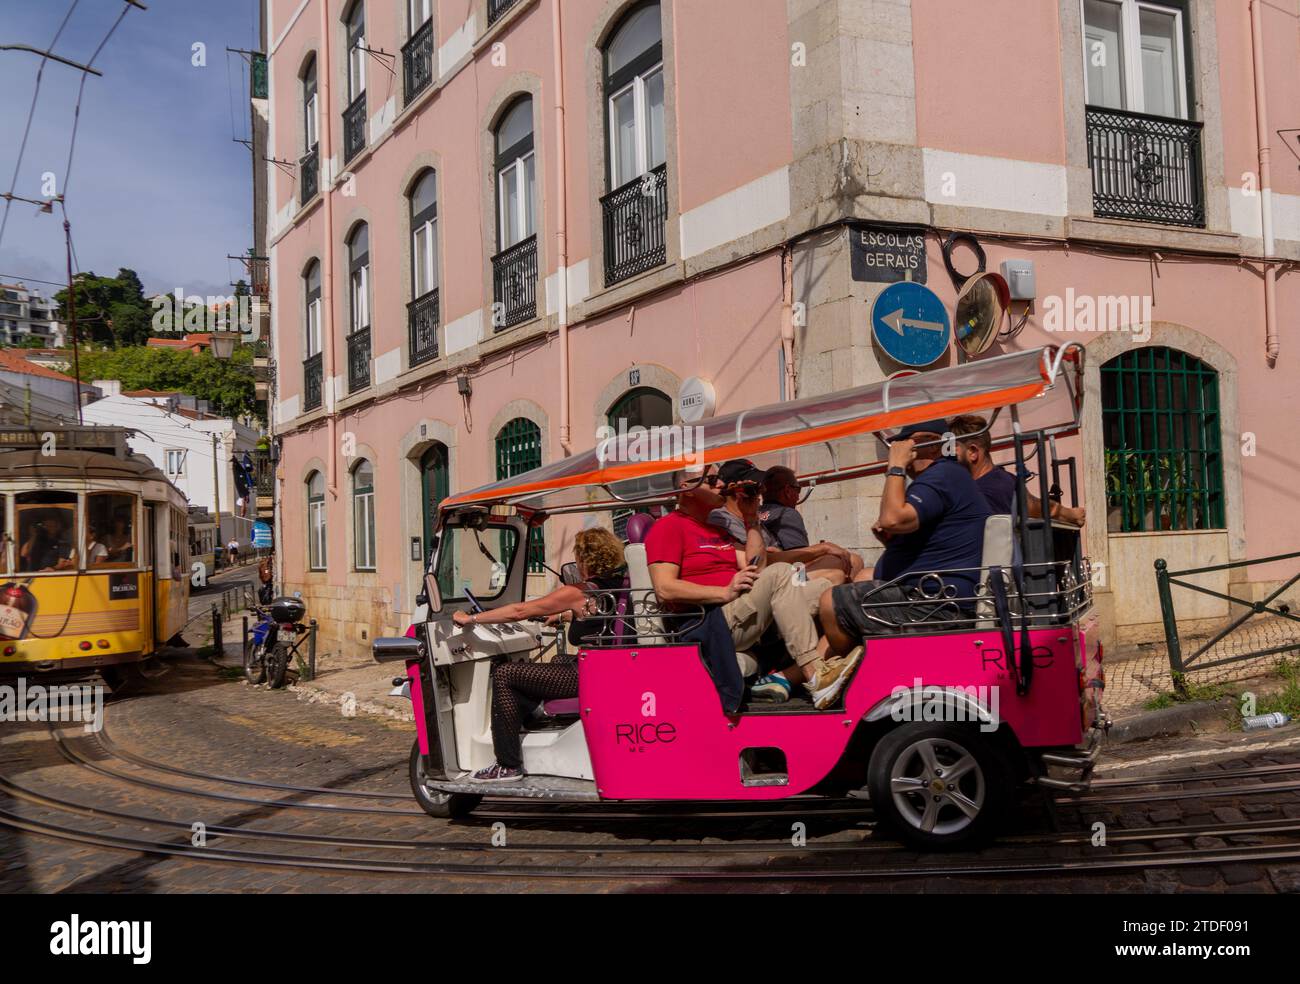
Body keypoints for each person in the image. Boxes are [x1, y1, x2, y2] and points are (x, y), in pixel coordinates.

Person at [645, 463, 861, 709]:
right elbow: (664, 589)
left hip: (740, 609)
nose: (721, 485)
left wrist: (751, 521)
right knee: (780, 572)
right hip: (710, 619)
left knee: (834, 593)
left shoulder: (717, 528)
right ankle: (814, 674)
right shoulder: (668, 527)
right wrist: (724, 591)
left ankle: (818, 667)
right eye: (712, 480)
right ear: (687, 489)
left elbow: (757, 567)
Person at [452, 528, 628, 783]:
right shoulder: (617, 584)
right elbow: (600, 616)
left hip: (590, 674)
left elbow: (519, 611)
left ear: (584, 559)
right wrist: (565, 615)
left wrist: (470, 618)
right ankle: (534, 716)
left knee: (506, 674)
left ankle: (507, 764)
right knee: (558, 660)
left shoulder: (579, 591)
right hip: (608, 668)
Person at [821, 420, 991, 658]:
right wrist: (892, 543)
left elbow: (892, 519)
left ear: (934, 445)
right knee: (856, 587)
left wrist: (896, 467)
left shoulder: (941, 474)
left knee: (830, 602)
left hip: (939, 605)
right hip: (937, 596)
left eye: (909, 442)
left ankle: (854, 669)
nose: (900, 448)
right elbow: (927, 540)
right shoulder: (945, 476)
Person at [948, 414, 1086, 524]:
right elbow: (1036, 506)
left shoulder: (984, 490)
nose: (947, 459)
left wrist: (1070, 514)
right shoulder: (1004, 479)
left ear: (973, 452)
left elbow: (1037, 507)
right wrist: (1070, 514)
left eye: (952, 451)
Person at [758, 464, 864, 580]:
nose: (798, 497)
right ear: (787, 491)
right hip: (792, 580)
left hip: (768, 575)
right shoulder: (787, 514)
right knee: (853, 560)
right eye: (797, 489)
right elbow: (799, 560)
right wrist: (823, 549)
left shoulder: (755, 514)